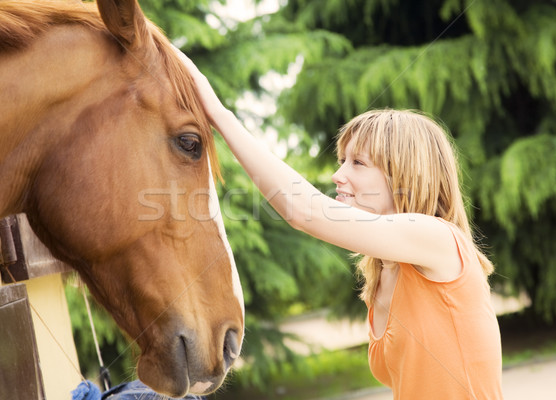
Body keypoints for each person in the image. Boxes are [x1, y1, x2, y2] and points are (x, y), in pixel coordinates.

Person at [176, 50, 503, 400]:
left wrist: (218, 114)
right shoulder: (382, 273)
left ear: (405, 174)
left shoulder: (439, 239)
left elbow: (303, 209)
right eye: (341, 160)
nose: (338, 175)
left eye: (358, 163)